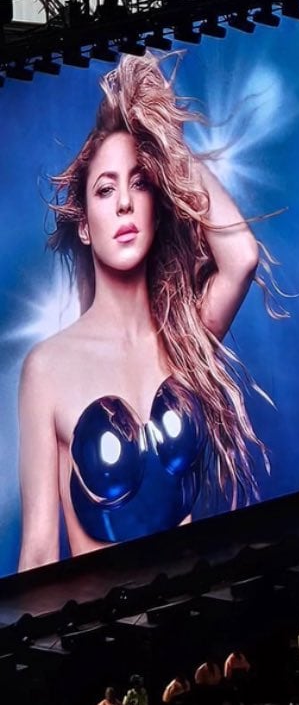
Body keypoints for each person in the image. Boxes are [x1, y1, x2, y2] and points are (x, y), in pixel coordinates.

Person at [17, 52, 273, 570]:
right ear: (85, 226)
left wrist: (166, 142)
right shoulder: (48, 367)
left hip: (194, 610)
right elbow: (41, 550)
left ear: (157, 204)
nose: (126, 204)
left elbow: (241, 256)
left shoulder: (186, 337)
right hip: (109, 630)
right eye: (105, 189)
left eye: (140, 183)